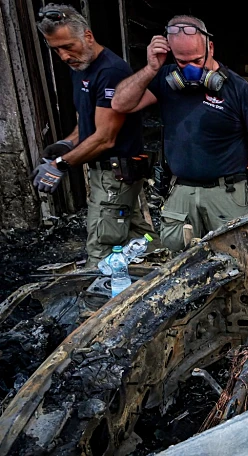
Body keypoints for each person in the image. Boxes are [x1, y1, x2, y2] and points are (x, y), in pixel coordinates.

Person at [111, 15, 248, 251]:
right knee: (180, 262)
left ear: (210, 47)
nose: (191, 69)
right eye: (182, 62)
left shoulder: (238, 89)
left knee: (235, 259)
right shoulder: (165, 80)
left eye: (196, 60)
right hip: (180, 192)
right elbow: (121, 104)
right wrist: (151, 68)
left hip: (226, 194)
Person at [34, 4, 157, 267]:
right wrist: (68, 143)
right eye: (56, 49)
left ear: (88, 36)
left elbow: (105, 137)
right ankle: (161, 273)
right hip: (109, 176)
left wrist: (61, 165)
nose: (64, 56)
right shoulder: (80, 68)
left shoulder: (110, 71)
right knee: (140, 238)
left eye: (68, 46)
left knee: (103, 248)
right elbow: (88, 124)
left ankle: (102, 302)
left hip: (116, 176)